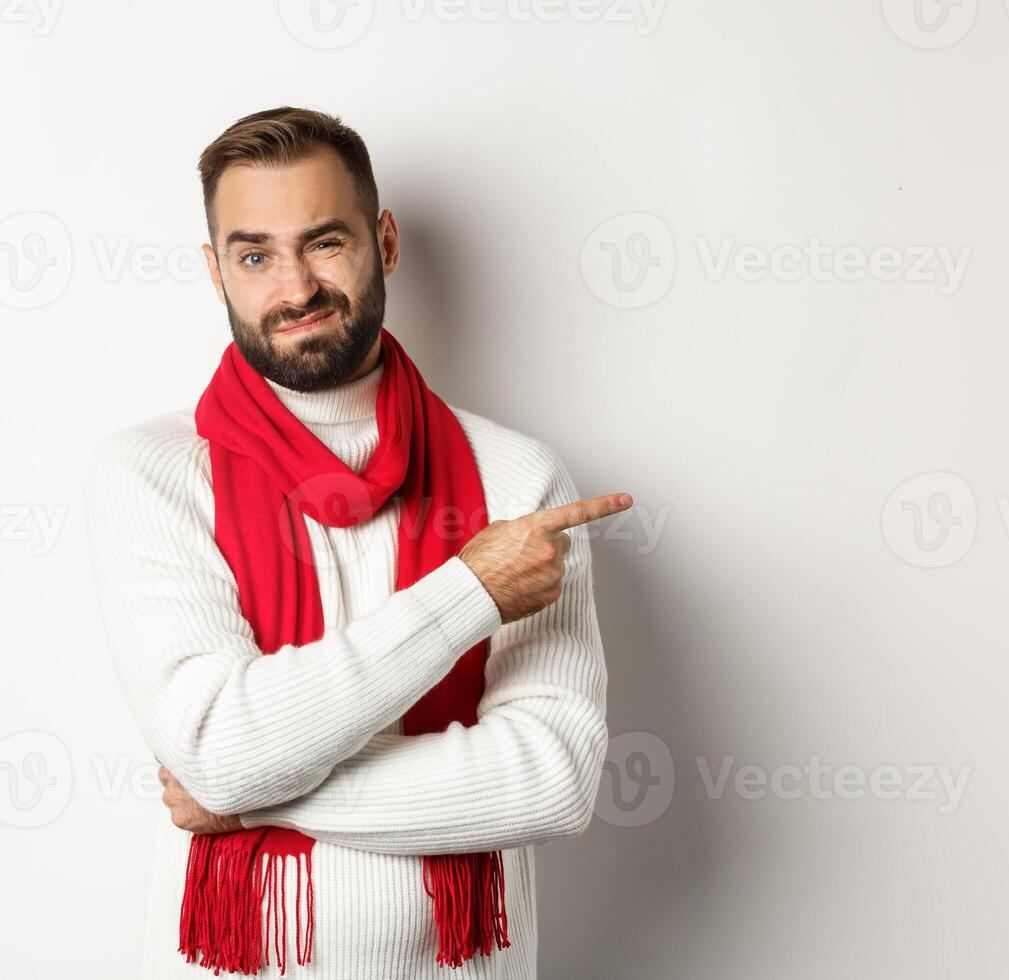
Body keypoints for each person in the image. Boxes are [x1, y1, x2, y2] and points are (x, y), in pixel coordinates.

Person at [83, 106, 630, 978]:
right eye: (254, 254)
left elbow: (551, 778)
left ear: (385, 240)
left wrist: (255, 796)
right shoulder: (152, 473)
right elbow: (221, 746)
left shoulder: (518, 481)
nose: (294, 287)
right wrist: (469, 594)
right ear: (215, 271)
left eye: (325, 243)